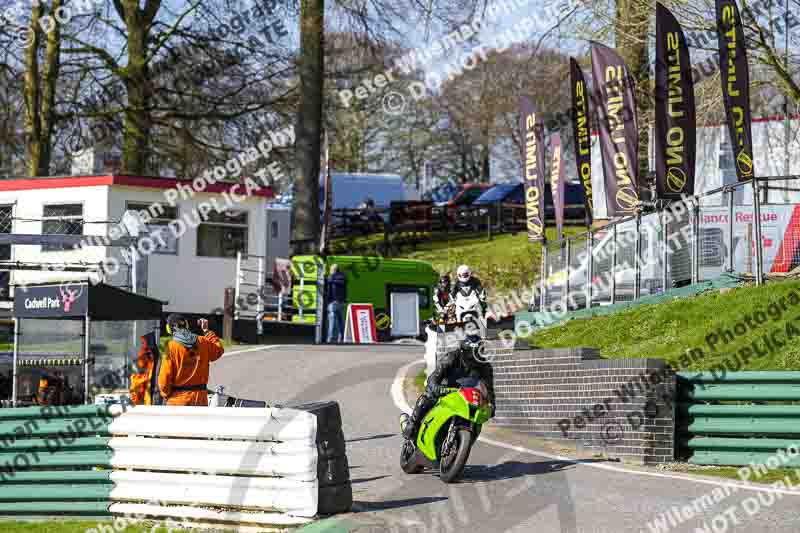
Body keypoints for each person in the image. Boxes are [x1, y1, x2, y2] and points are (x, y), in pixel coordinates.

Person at [400, 335, 495, 441]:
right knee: (428, 397)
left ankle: (466, 439)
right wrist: (436, 387)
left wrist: (491, 405)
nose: (474, 357)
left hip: (465, 395)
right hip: (445, 390)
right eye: (472, 354)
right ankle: (412, 423)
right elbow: (435, 376)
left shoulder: (485, 366)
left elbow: (489, 388)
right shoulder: (452, 357)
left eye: (478, 353)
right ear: (464, 351)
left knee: (477, 417)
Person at [158, 314, 224, 406]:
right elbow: (218, 350)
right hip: (200, 399)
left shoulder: (170, 347)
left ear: (169, 329)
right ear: (187, 325)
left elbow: (164, 379)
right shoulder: (202, 341)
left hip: (177, 401)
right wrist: (206, 331)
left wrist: (166, 394)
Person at [325, 264, 347, 343]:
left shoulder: (333, 277)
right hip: (340, 301)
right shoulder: (342, 277)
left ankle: (331, 338)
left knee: (332, 319)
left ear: (334, 270)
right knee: (340, 320)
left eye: (331, 270)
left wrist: (329, 277)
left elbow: (330, 282)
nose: (330, 271)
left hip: (334, 302)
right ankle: (340, 337)